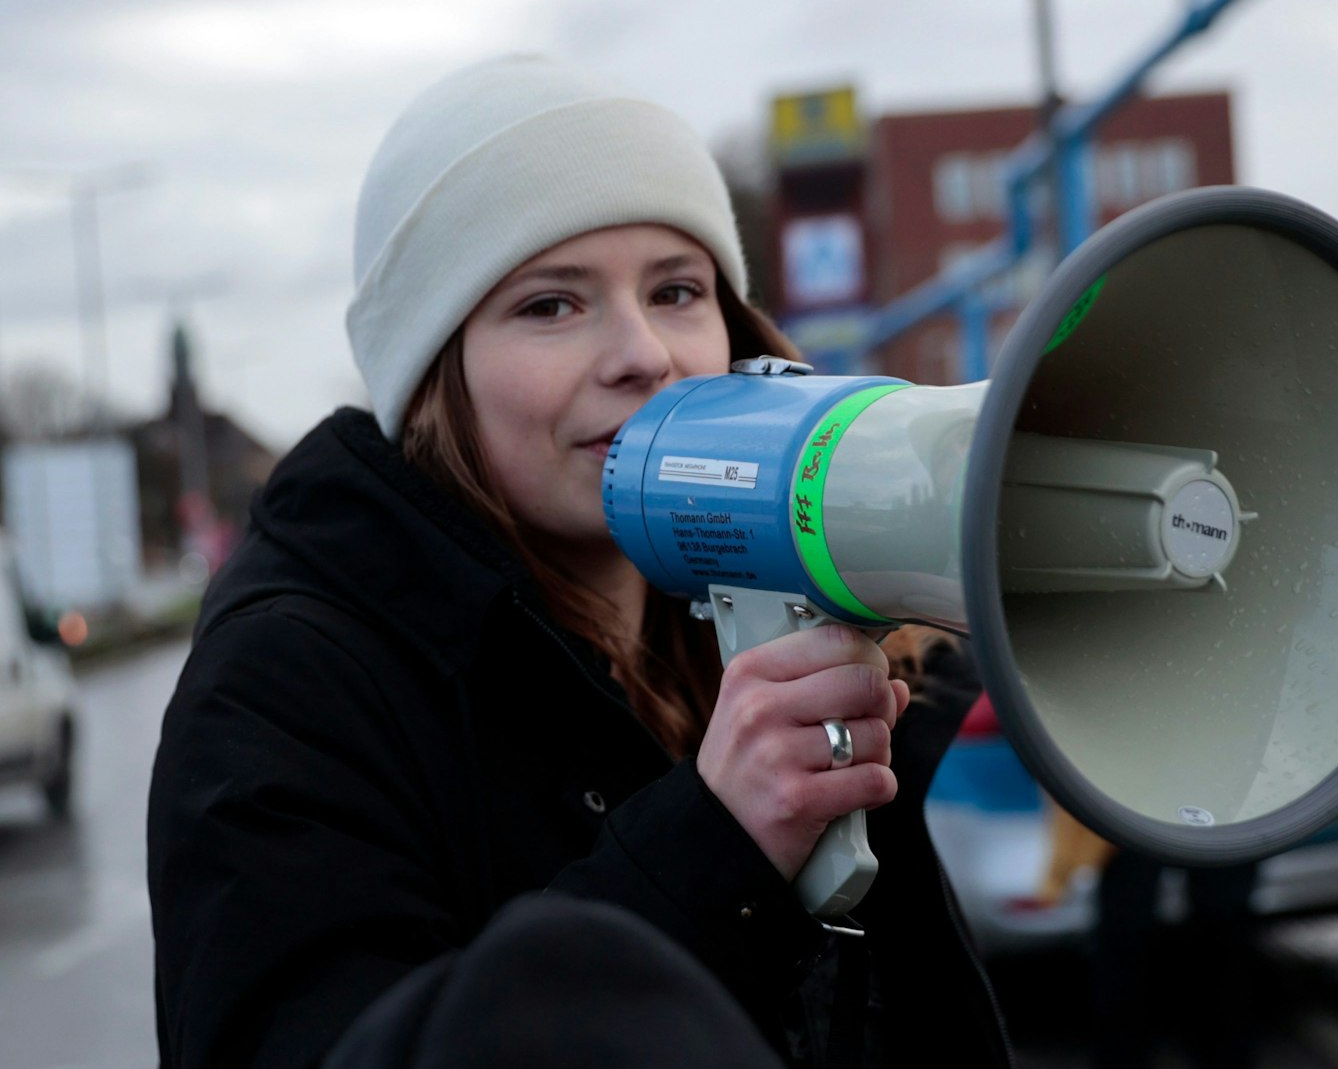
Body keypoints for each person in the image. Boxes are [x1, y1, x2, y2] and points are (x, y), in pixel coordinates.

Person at [147, 55, 1011, 1069]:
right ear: (437, 372)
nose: (642, 353)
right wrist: (712, 854)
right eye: (550, 305)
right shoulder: (281, 692)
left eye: (677, 290)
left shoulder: (795, 608)